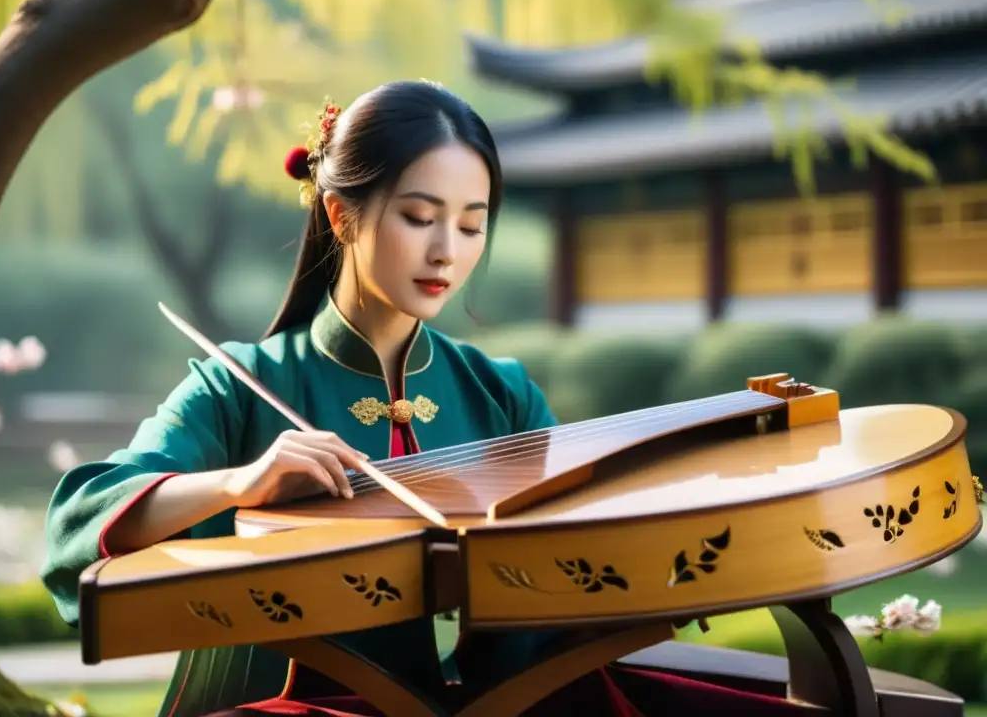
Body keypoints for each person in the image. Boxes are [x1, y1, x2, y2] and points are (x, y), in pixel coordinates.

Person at [41, 80, 816, 717]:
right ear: (342, 214)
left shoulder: (499, 391)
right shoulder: (242, 384)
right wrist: (241, 482)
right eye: (419, 217)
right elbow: (79, 518)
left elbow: (571, 562)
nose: (448, 250)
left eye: (472, 226)